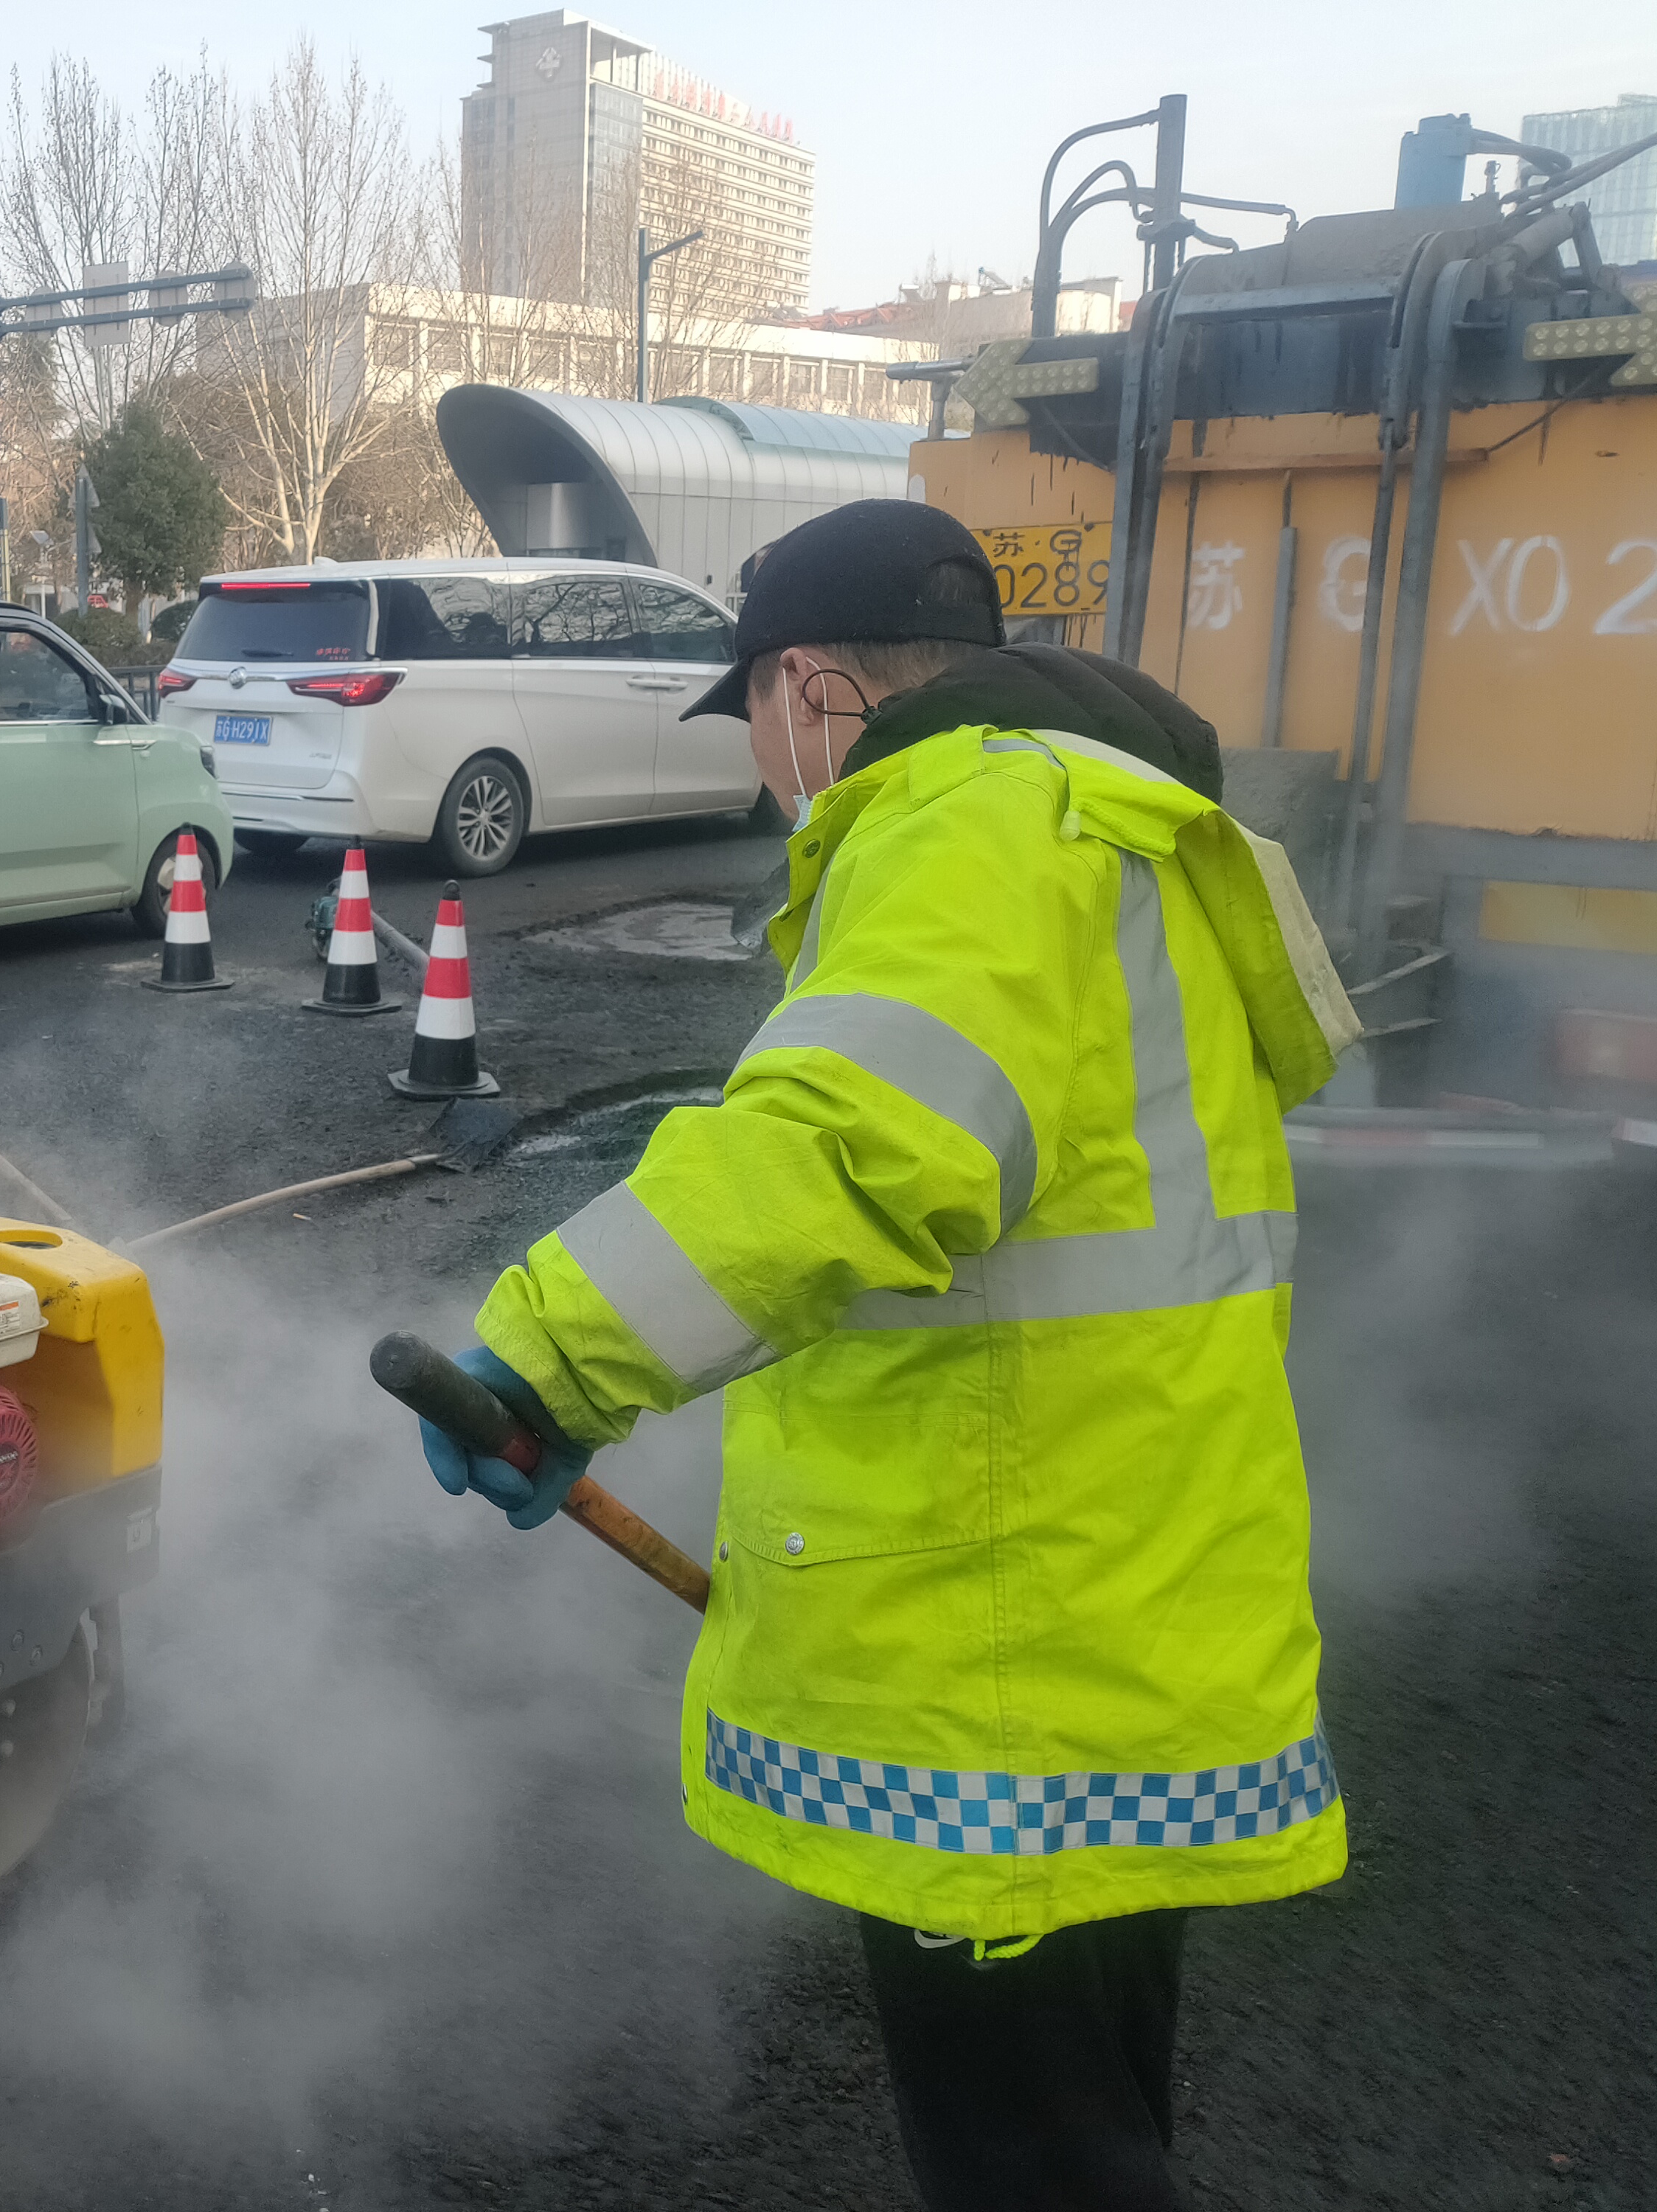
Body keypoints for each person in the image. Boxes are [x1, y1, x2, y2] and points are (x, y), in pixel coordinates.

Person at [414, 501, 1361, 2212]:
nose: (777, 769)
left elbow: (845, 1150)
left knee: (1033, 2163)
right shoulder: (1102, 826)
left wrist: (548, 1353)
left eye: (762, 723)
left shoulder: (973, 827)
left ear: (814, 688)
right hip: (1101, 1602)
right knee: (1084, 2126)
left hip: (995, 1649)